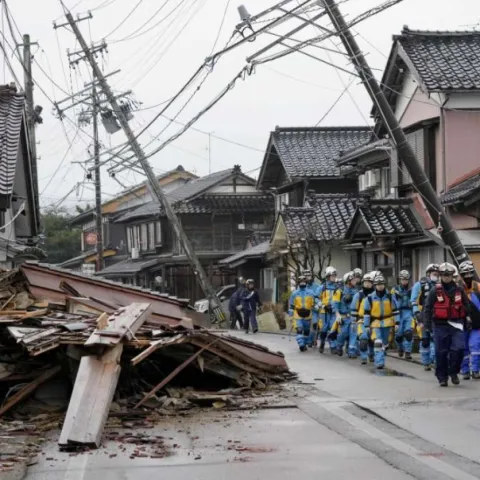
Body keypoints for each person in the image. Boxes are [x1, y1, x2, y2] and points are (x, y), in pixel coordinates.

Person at [424, 262, 471, 386]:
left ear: (452, 275)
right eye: (444, 275)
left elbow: (467, 305)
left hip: (457, 324)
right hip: (440, 325)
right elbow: (427, 308)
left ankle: (454, 372)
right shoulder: (435, 290)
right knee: (441, 352)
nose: (446, 277)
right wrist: (427, 325)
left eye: (448, 275)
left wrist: (464, 314)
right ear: (440, 276)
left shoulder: (459, 290)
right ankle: (442, 377)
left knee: (459, 349)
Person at [363, 274, 399, 369]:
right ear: (375, 286)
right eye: (378, 284)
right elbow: (366, 313)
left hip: (387, 323)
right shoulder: (370, 298)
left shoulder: (390, 297)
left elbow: (395, 311)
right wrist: (366, 325)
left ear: (384, 285)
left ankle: (380, 355)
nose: (380, 286)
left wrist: (397, 323)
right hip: (375, 323)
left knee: (385, 343)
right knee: (378, 342)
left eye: (382, 284)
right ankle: (379, 362)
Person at [411, 263, 439, 371]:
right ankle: (426, 362)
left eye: (437, 274)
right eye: (433, 273)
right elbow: (413, 300)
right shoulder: (420, 285)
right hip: (423, 314)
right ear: (428, 273)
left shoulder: (440, 286)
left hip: (437, 315)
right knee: (425, 339)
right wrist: (417, 313)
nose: (435, 276)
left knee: (436, 339)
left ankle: (436, 361)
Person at [459, 261, 480, 380]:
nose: (467, 276)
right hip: (462, 323)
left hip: (477, 323)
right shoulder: (457, 288)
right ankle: (465, 370)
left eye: (469, 273)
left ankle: (476, 370)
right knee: (463, 347)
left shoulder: (478, 287)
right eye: (465, 273)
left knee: (475, 346)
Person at [331, 271, 357, 356]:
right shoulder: (340, 291)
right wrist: (337, 314)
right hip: (343, 317)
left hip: (353, 317)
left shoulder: (356, 291)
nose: (355, 281)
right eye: (353, 280)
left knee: (353, 334)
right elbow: (335, 303)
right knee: (343, 333)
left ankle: (352, 351)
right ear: (348, 281)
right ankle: (339, 346)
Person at [350, 272, 375, 362]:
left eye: (369, 282)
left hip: (374, 320)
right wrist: (353, 322)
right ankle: (364, 357)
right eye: (365, 282)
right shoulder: (358, 295)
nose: (367, 284)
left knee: (372, 340)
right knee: (363, 339)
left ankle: (371, 354)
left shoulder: (375, 295)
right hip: (361, 320)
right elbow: (354, 309)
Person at [289, 275, 316, 352]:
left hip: (308, 315)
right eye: (301, 282)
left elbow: (314, 303)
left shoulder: (311, 293)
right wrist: (291, 317)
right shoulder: (295, 293)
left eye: (303, 281)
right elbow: (291, 305)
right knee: (299, 329)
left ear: (306, 282)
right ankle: (301, 345)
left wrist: (317, 306)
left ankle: (305, 343)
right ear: (298, 283)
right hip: (298, 315)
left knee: (306, 332)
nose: (302, 283)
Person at [391, 270, 414, 360]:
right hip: (398, 313)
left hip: (408, 312)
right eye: (402, 279)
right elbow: (393, 303)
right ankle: (400, 348)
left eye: (406, 279)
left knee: (408, 333)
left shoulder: (411, 290)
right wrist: (399, 298)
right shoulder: (395, 290)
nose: (404, 281)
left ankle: (408, 352)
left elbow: (414, 301)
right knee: (399, 335)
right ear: (399, 279)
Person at [318, 266, 338, 354]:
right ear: (328, 277)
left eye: (335, 276)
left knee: (333, 329)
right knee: (323, 330)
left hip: (333, 312)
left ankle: (333, 346)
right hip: (324, 312)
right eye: (332, 276)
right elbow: (316, 299)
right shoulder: (322, 287)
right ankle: (322, 342)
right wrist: (322, 306)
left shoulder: (337, 288)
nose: (334, 278)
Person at [304, 270, 322, 347]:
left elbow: (319, 297)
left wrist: (319, 303)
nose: (307, 278)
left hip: (315, 309)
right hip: (305, 310)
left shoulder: (317, 286)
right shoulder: (301, 287)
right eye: (306, 276)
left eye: (309, 276)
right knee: (306, 327)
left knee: (315, 325)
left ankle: (313, 339)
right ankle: (306, 341)